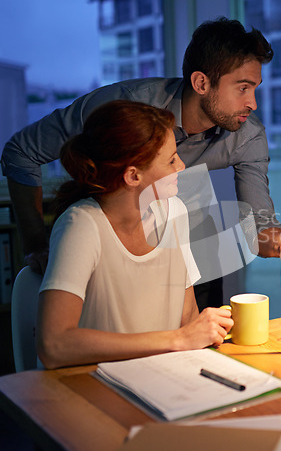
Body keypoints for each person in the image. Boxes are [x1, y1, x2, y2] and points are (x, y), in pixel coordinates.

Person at [2, 17, 281, 310]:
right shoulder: (121, 108)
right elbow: (20, 152)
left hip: (177, 244)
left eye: (255, 88)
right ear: (201, 83)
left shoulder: (247, 136)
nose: (252, 103)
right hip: (104, 243)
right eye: (242, 88)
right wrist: (35, 241)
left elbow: (258, 222)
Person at [36, 100, 233, 369]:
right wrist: (178, 339)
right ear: (133, 176)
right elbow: (53, 345)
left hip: (161, 378)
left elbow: (187, 317)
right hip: (93, 389)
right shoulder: (81, 225)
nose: (182, 167)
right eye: (171, 160)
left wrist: (200, 335)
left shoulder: (174, 211)